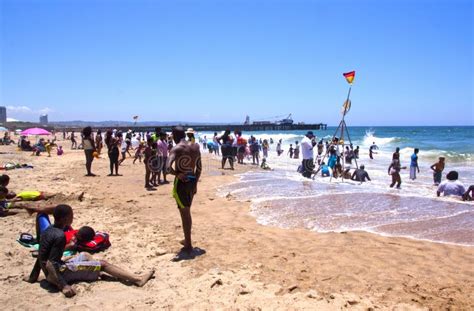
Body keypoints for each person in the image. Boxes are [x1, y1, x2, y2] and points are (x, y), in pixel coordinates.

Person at [31, 204, 154, 298]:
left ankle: (96, 272)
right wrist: (64, 286)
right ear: (64, 219)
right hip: (59, 275)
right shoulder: (60, 236)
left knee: (85, 255)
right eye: (71, 216)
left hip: (52, 272)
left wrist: (33, 276)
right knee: (103, 264)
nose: (73, 218)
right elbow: (50, 263)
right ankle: (138, 280)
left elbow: (42, 254)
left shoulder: (48, 231)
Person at [167, 126, 202, 256]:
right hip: (192, 181)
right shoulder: (195, 146)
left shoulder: (176, 149)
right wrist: (196, 183)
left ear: (175, 135)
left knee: (185, 213)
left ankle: (188, 244)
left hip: (182, 183)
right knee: (187, 211)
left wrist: (177, 174)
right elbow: (199, 168)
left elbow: (166, 168)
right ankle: (187, 240)